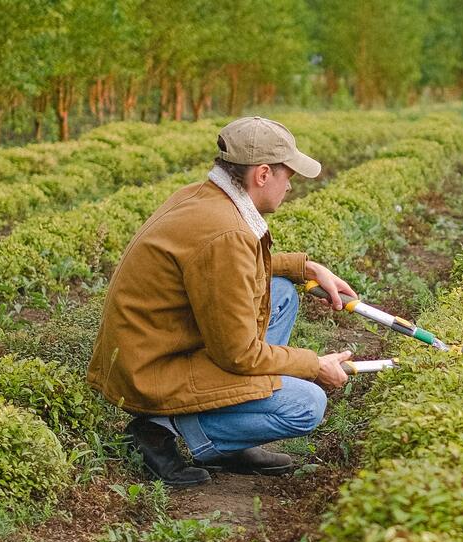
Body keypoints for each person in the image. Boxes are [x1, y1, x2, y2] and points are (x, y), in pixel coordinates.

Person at [88, 116, 356, 486]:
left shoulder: (202, 197)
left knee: (278, 293)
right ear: (262, 174)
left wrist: (305, 267)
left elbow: (225, 267)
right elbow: (239, 354)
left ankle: (226, 430)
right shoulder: (226, 232)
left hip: (153, 348)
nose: (291, 185)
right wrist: (313, 365)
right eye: (288, 175)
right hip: (151, 371)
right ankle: (158, 430)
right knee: (307, 404)